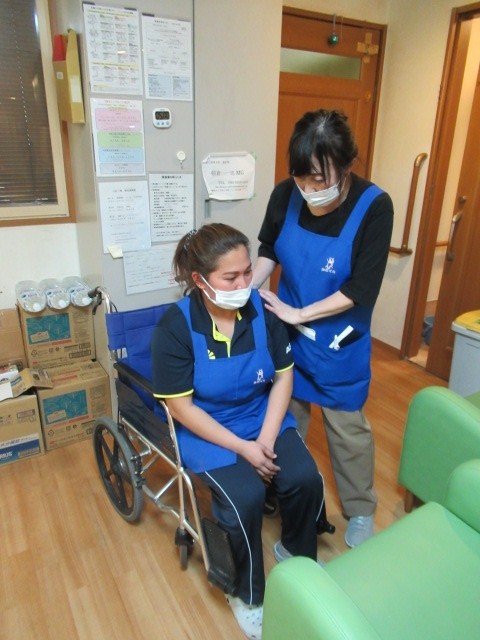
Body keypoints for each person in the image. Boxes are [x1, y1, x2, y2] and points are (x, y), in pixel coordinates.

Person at [151, 223, 324, 640]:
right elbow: (181, 407)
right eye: (230, 277)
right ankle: (247, 595)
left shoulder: (261, 310)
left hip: (260, 416)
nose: (244, 284)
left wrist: (264, 440)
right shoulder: (176, 328)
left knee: (304, 477)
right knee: (245, 496)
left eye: (247, 272)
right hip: (207, 427)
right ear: (200, 281)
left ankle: (297, 553)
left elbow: (283, 377)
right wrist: (244, 450)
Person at [253, 109, 394, 549]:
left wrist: (300, 314)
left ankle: (360, 509)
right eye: (301, 179)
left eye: (318, 179)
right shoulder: (285, 194)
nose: (309, 190)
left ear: (347, 166)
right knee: (286, 419)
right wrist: (245, 287)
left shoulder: (375, 207)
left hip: (338, 342)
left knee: (346, 428)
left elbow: (360, 288)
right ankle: (285, 493)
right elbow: (269, 248)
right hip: (290, 334)